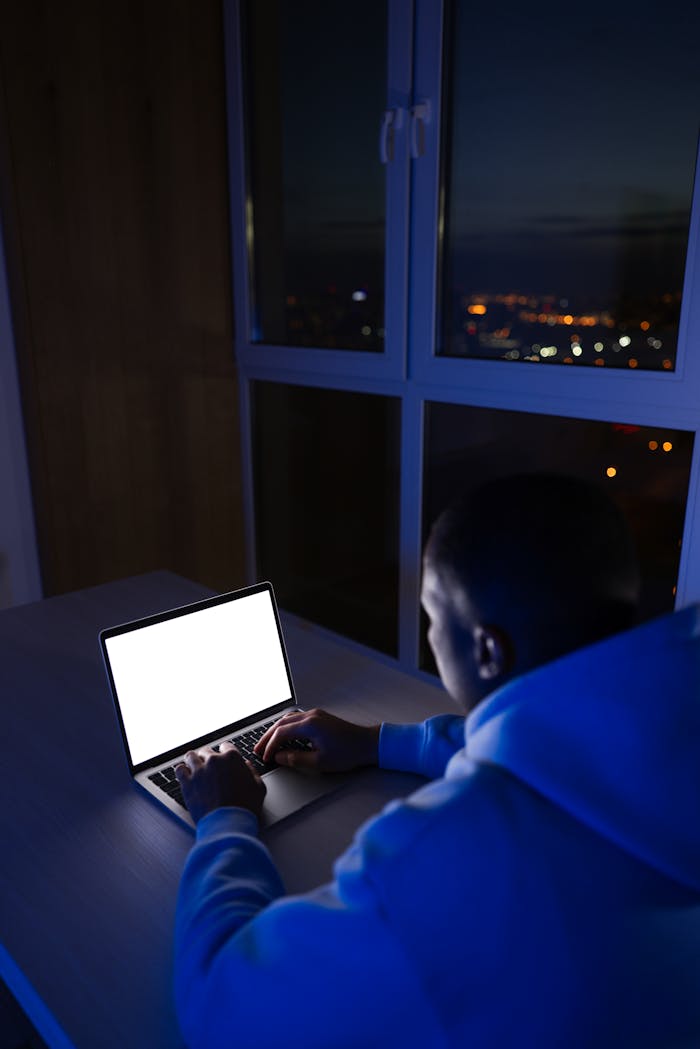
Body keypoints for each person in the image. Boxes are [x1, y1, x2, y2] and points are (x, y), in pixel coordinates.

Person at [174, 473, 700, 1048]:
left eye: (432, 615)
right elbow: (567, 746)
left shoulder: (430, 864)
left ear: (486, 650)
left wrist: (223, 820)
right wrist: (380, 743)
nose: (429, 635)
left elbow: (220, 1009)